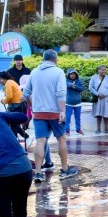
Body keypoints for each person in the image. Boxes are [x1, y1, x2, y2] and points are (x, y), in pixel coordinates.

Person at [22, 49, 78, 183]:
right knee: (61, 139)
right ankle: (64, 170)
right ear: (55, 59)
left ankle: (39, 173)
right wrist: (63, 111)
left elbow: (25, 94)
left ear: (43, 58)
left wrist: (32, 107)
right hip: (55, 112)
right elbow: (61, 93)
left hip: (39, 112)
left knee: (40, 141)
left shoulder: (34, 72)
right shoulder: (58, 72)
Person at [0, 71, 28, 141]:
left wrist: (3, 101)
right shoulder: (12, 82)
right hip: (20, 105)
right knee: (14, 122)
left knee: (12, 122)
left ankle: (14, 139)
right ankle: (24, 135)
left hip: (15, 106)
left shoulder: (8, 84)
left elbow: (9, 97)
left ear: (1, 79)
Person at [88, 65, 108, 134]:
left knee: (107, 113)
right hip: (97, 98)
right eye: (102, 70)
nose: (104, 71)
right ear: (98, 70)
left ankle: (106, 128)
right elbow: (90, 88)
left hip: (106, 98)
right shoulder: (93, 78)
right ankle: (98, 128)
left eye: (105, 70)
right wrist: (97, 94)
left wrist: (104, 94)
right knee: (98, 114)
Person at [64, 69, 85, 136]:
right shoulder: (65, 81)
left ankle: (78, 130)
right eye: (71, 74)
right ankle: (67, 131)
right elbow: (67, 84)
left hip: (78, 103)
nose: (72, 75)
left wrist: (75, 86)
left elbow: (82, 88)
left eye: (74, 74)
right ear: (68, 75)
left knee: (78, 117)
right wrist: (71, 85)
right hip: (68, 103)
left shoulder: (78, 81)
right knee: (67, 118)